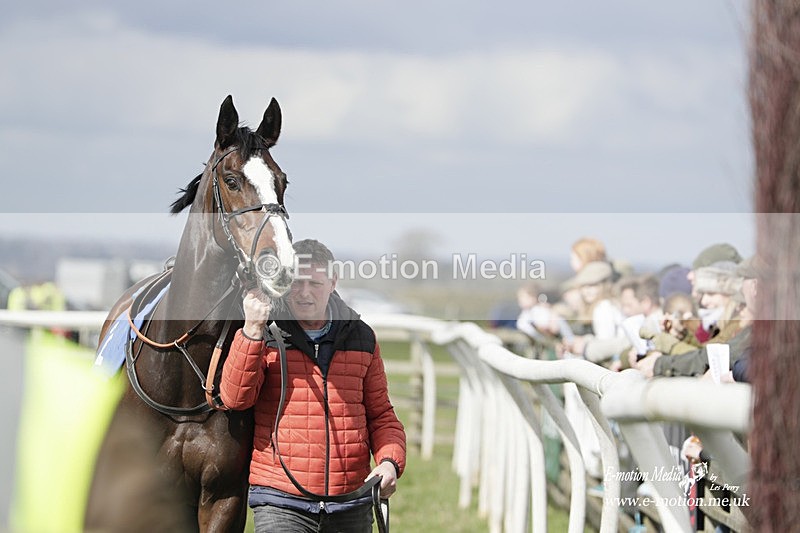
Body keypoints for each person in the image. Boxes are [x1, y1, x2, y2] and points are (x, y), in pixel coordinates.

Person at [220, 239, 406, 533]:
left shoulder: (362, 337)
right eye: (296, 282)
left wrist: (389, 463)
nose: (304, 293)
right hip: (280, 501)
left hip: (351, 502)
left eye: (315, 283)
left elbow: (381, 415)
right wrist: (251, 331)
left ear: (333, 282)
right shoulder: (263, 333)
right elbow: (234, 398)